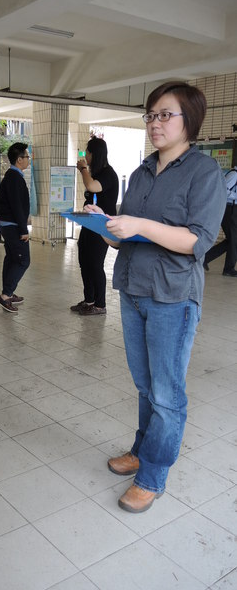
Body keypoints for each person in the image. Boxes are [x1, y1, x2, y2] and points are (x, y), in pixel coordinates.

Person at [85, 82, 227, 513]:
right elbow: (127, 236)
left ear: (190, 120)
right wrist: (106, 224)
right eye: (150, 115)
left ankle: (152, 476)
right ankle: (140, 450)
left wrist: (139, 226)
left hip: (173, 298)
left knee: (166, 393)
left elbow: (198, 240)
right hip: (134, 289)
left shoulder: (204, 172)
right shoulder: (144, 170)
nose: (154, 123)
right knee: (145, 386)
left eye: (165, 114)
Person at [71, 137, 118, 315]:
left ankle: (100, 305)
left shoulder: (108, 174)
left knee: (95, 264)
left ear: (94, 154)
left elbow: (92, 186)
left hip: (102, 226)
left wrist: (83, 169)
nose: (86, 156)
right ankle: (89, 300)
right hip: (89, 223)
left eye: (87, 153)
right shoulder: (97, 173)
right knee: (84, 262)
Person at [0, 142, 31, 313]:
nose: (29, 159)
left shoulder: (11, 176)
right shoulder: (15, 178)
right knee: (23, 261)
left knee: (11, 259)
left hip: (8, 224)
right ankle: (5, 295)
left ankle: (8, 293)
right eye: (27, 156)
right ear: (19, 159)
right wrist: (23, 230)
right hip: (13, 226)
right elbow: (17, 206)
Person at [203, 166, 237, 276]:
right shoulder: (234, 174)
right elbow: (223, 190)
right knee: (233, 241)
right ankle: (228, 269)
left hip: (233, 209)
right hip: (229, 209)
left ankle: (205, 258)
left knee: (232, 240)